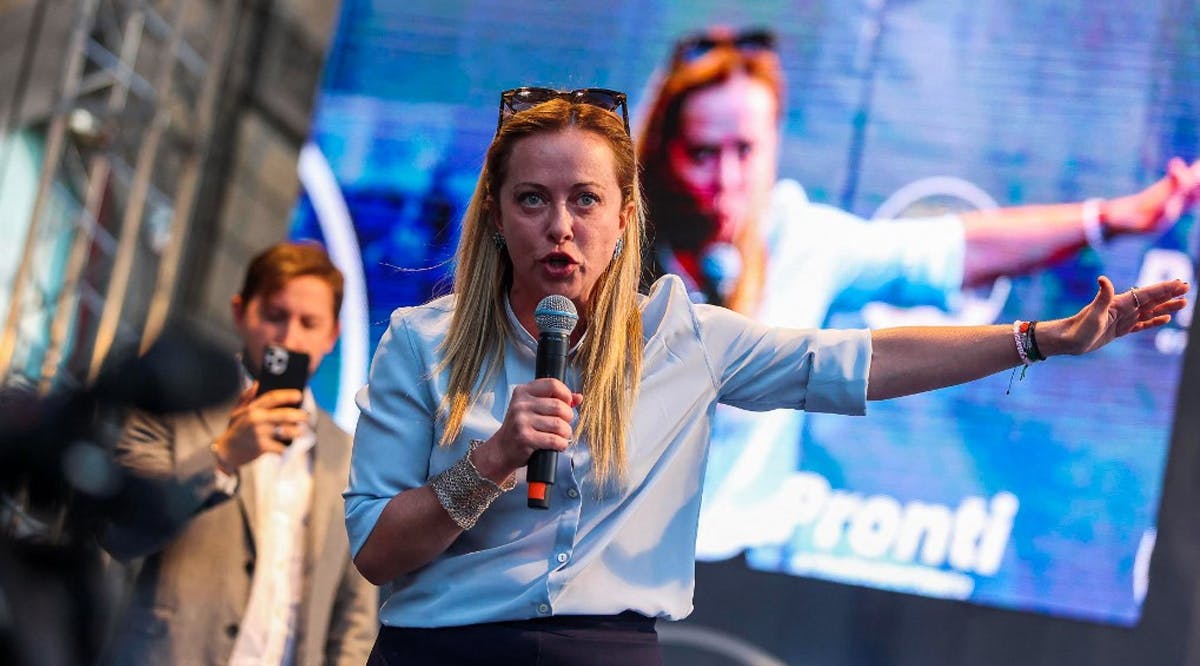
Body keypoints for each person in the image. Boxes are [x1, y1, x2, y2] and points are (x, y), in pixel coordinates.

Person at [343, 87, 1188, 664]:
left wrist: (1037, 338)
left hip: (602, 651)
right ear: (496, 213)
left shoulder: (685, 336)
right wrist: (489, 462)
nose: (560, 226)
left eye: (585, 200)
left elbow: (860, 360)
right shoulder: (421, 344)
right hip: (439, 650)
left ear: (625, 214)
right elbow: (378, 554)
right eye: (532, 199)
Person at [636, 26, 1200, 559]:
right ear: (664, 150)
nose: (728, 181)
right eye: (703, 154)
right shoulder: (612, 250)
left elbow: (954, 251)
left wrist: (1108, 220)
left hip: (733, 560)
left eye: (746, 150)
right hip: (613, 566)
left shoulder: (800, 238)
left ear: (775, 142)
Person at [101, 242, 378, 665]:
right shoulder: (174, 406)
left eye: (309, 322)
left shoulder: (350, 453)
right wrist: (221, 457)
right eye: (274, 316)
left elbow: (355, 613)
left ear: (331, 335)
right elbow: (121, 533)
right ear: (240, 312)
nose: (288, 338)